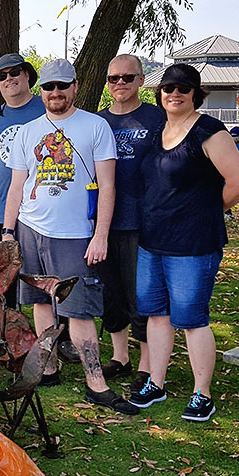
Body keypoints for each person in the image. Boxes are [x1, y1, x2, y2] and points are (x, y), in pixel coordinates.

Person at [1, 59, 138, 414]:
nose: (55, 93)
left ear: (75, 86)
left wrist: (100, 235)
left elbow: (108, 185)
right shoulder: (28, 132)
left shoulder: (95, 126)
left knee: (78, 311)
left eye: (62, 85)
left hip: (75, 234)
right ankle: (48, 368)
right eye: (48, 87)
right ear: (40, 90)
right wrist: (7, 231)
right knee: (41, 303)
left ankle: (96, 382)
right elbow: (17, 186)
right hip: (32, 231)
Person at [129, 64, 239, 422]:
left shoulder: (209, 131)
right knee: (157, 314)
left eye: (183, 88)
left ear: (196, 93)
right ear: (160, 93)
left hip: (194, 244)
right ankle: (156, 382)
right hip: (153, 241)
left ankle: (202, 393)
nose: (175, 94)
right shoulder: (158, 131)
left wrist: (207, 213)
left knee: (193, 319)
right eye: (168, 88)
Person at [95, 54, 165, 393]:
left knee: (142, 296)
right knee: (111, 293)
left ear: (141, 80)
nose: (119, 84)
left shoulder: (157, 118)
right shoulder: (97, 122)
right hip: (102, 223)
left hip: (143, 221)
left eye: (127, 77)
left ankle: (146, 365)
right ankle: (119, 357)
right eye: (113, 78)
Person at [0, 53, 45, 243]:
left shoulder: (47, 109)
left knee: (38, 272)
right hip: (0, 211)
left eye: (14, 72)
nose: (8, 79)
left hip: (39, 212)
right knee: (3, 272)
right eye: (2, 76)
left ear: (26, 75)